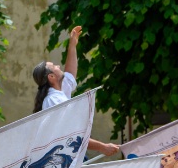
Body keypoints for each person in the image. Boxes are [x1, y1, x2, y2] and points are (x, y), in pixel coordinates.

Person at [31, 25, 120, 157]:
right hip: (66, 159)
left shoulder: (57, 93)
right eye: (54, 66)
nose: (58, 66)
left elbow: (70, 75)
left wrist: (72, 45)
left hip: (69, 155)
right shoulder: (54, 100)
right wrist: (102, 147)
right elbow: (71, 135)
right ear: (51, 77)